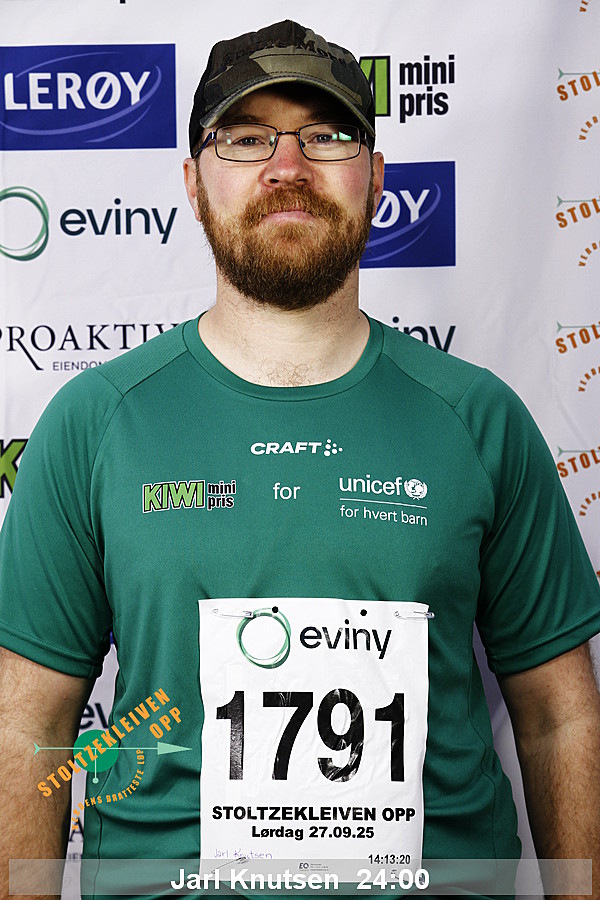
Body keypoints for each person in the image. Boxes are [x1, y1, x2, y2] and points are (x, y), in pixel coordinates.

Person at [1, 18, 600, 899]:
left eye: (326, 135)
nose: (288, 166)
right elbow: (30, 725)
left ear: (376, 179)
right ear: (193, 184)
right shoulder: (96, 423)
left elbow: (557, 715)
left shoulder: (480, 419)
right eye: (246, 139)